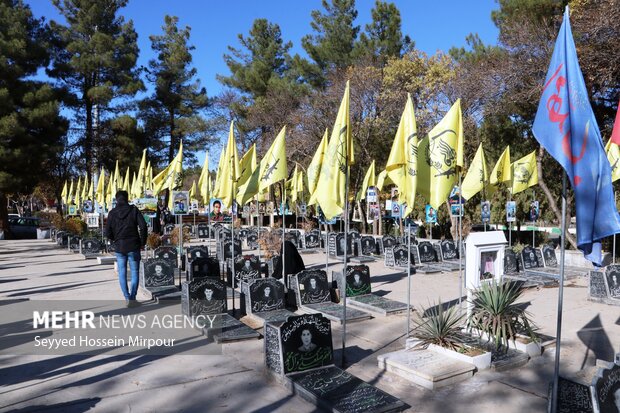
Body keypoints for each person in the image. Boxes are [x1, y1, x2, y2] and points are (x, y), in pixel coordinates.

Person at [105, 190, 147, 307]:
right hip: (134, 245)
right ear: (127, 198)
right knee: (134, 272)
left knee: (122, 273)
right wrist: (142, 242)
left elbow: (107, 232)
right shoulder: (134, 210)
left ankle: (127, 297)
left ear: (116, 199)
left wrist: (116, 239)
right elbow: (143, 226)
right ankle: (133, 298)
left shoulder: (112, 213)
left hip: (120, 247)